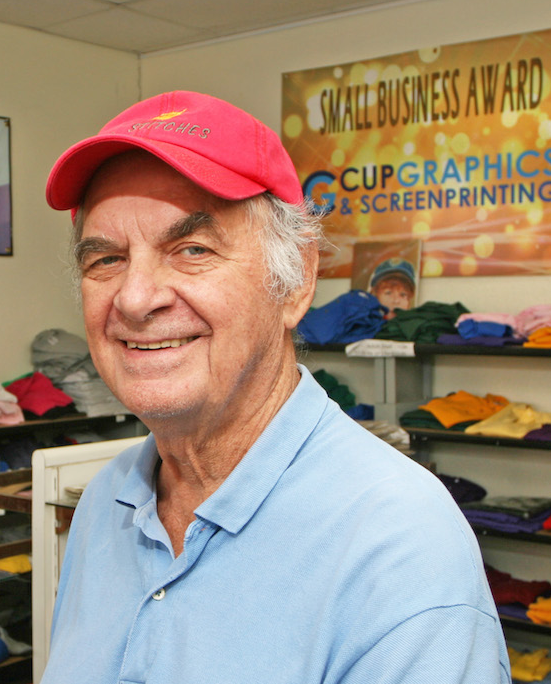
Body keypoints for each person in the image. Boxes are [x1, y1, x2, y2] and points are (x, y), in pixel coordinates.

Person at [42, 91, 510, 684]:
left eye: (192, 249)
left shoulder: (397, 547)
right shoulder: (106, 507)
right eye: (105, 259)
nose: (135, 298)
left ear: (295, 281)